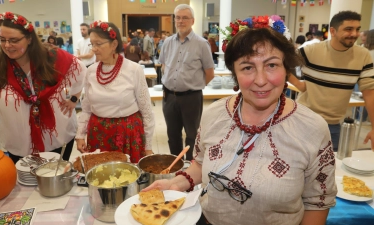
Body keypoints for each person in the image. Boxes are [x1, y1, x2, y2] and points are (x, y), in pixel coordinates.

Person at [143, 15, 337, 225]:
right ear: (234, 73)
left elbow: (318, 202)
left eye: (271, 65)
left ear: (286, 69)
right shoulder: (213, 114)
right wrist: (178, 183)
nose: (261, 80)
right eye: (247, 67)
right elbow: (200, 164)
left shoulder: (312, 128)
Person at [0, 12, 86, 163]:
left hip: (59, 139)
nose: (7, 45)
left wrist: (74, 98)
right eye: (2, 39)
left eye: (13, 40)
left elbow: (81, 73)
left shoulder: (54, 58)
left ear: (29, 39)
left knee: (56, 183)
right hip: (19, 145)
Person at [289, 11, 374, 151]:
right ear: (333, 31)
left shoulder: (362, 55)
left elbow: (369, 92)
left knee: (329, 168)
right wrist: (298, 84)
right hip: (303, 120)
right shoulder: (311, 51)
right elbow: (281, 62)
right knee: (296, 163)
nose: (354, 33)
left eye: (357, 29)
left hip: (333, 125)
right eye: (348, 29)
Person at [75, 21, 155, 163]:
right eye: (92, 44)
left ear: (114, 44)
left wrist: (148, 146)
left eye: (98, 44)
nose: (94, 49)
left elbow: (147, 111)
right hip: (98, 133)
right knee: (101, 178)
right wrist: (80, 134)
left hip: (126, 134)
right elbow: (86, 108)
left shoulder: (133, 70)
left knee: (127, 178)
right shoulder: (91, 71)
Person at [160, 4, 215, 160]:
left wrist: (193, 86)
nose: (181, 21)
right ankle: (175, 164)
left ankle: (190, 167)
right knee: (172, 134)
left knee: (191, 134)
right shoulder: (168, 42)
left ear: (192, 20)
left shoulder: (202, 44)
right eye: (178, 17)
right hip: (169, 97)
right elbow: (164, 66)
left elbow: (209, 73)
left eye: (185, 18)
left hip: (192, 97)